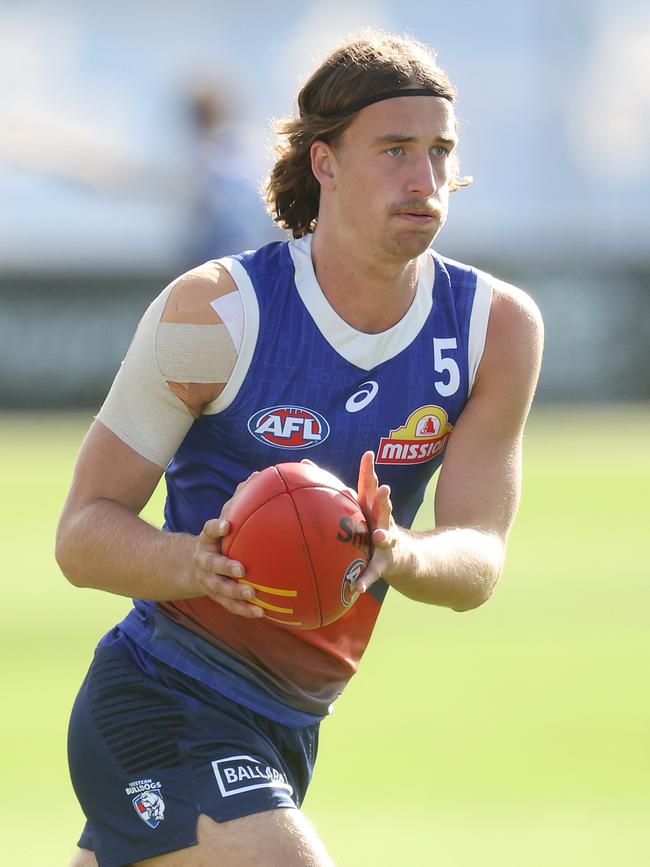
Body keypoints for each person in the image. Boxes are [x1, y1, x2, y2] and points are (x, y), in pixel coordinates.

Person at [56, 30, 543, 867]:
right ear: (324, 162)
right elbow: (82, 532)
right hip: (160, 694)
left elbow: (480, 558)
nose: (424, 179)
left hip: (289, 725)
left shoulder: (493, 328)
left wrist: (396, 554)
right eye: (394, 151)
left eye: (439, 152)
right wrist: (194, 564)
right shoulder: (216, 313)